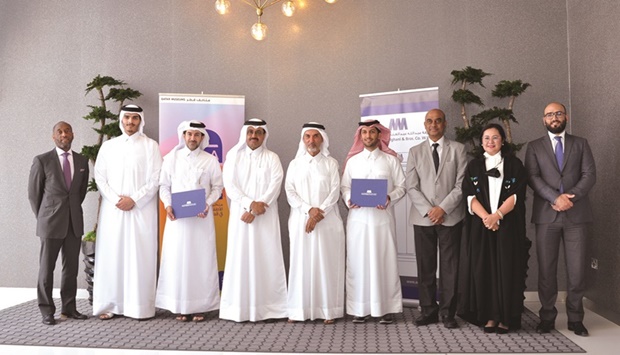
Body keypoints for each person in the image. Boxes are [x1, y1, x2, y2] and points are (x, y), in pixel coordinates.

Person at [525, 102, 596, 336]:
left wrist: (569, 198)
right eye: (549, 115)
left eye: (557, 113)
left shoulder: (581, 143)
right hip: (547, 216)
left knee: (577, 270)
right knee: (546, 269)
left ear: (565, 116)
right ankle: (547, 317)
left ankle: (576, 318)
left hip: (576, 216)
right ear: (543, 119)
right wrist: (555, 198)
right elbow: (533, 178)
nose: (554, 118)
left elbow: (589, 174)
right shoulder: (534, 147)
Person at [92, 104, 162, 320]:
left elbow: (156, 178)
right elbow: (100, 177)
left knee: (140, 256)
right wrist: (117, 200)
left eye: (134, 118)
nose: (130, 122)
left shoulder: (151, 146)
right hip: (113, 212)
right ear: (121, 120)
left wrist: (135, 200)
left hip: (142, 211)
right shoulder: (108, 146)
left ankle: (139, 307)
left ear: (140, 121)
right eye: (127, 118)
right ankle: (110, 304)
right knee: (112, 255)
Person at [457, 123, 529, 334]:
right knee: (484, 270)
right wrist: (487, 218)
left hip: (508, 226)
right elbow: (469, 196)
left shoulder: (514, 164)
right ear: (481, 142)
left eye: (495, 138)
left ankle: (505, 318)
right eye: (486, 138)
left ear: (503, 140)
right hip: (481, 227)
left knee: (507, 270)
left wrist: (498, 215)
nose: (490, 142)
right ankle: (489, 316)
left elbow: (517, 195)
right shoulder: (473, 167)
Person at [220, 118, 287, 322]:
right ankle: (238, 309)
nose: (254, 135)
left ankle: (270, 308)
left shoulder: (272, 157)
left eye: (259, 132)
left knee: (266, 257)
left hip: (265, 217)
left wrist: (258, 207)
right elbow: (230, 186)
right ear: (244, 134)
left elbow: (275, 185)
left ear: (264, 135)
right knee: (241, 259)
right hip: (241, 217)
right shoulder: (234, 156)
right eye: (250, 131)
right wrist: (250, 204)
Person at [155, 121, 223, 322]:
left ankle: (200, 306)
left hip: (201, 220)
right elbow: (164, 186)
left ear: (202, 138)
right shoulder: (171, 159)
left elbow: (218, 187)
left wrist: (208, 203)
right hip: (177, 220)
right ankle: (180, 306)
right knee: (178, 260)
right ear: (183, 136)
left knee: (200, 261)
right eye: (189, 134)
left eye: (197, 135)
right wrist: (168, 205)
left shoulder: (210, 160)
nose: (193, 138)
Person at [405, 109, 467, 329]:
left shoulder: (458, 149)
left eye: (438, 121)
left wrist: (442, 208)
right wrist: (430, 210)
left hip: (450, 217)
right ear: (424, 124)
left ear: (445, 123)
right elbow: (410, 186)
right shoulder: (414, 151)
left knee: (450, 268)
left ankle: (448, 313)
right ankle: (428, 311)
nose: (434, 125)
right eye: (429, 121)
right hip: (423, 218)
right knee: (426, 267)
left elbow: (462, 185)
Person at [341, 119, 406, 324]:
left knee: (383, 262)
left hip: (382, 221)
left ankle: (385, 309)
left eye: (372, 132)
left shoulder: (391, 161)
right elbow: (344, 187)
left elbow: (402, 187)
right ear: (360, 136)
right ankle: (359, 309)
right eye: (364, 133)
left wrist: (389, 198)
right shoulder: (353, 161)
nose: (368, 136)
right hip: (358, 222)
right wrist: (349, 198)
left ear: (379, 135)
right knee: (358, 263)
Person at [28, 121, 90, 325]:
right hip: (50, 223)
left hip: (74, 223)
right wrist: (45, 217)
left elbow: (79, 194)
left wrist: (70, 212)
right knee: (46, 269)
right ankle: (47, 310)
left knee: (70, 269)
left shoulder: (82, 161)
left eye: (67, 131)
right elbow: (34, 195)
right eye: (59, 131)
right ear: (53, 136)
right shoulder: (42, 160)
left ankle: (69, 308)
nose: (64, 134)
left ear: (72, 134)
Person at [285, 122, 345, 324]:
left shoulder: (331, 163)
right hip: (301, 221)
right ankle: (298, 310)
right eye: (307, 137)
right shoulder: (294, 164)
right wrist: (308, 211)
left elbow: (335, 192)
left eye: (315, 136)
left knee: (326, 264)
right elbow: (290, 192)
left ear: (322, 139)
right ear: (303, 140)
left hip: (327, 222)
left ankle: (329, 310)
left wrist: (317, 214)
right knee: (301, 265)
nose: (311, 141)